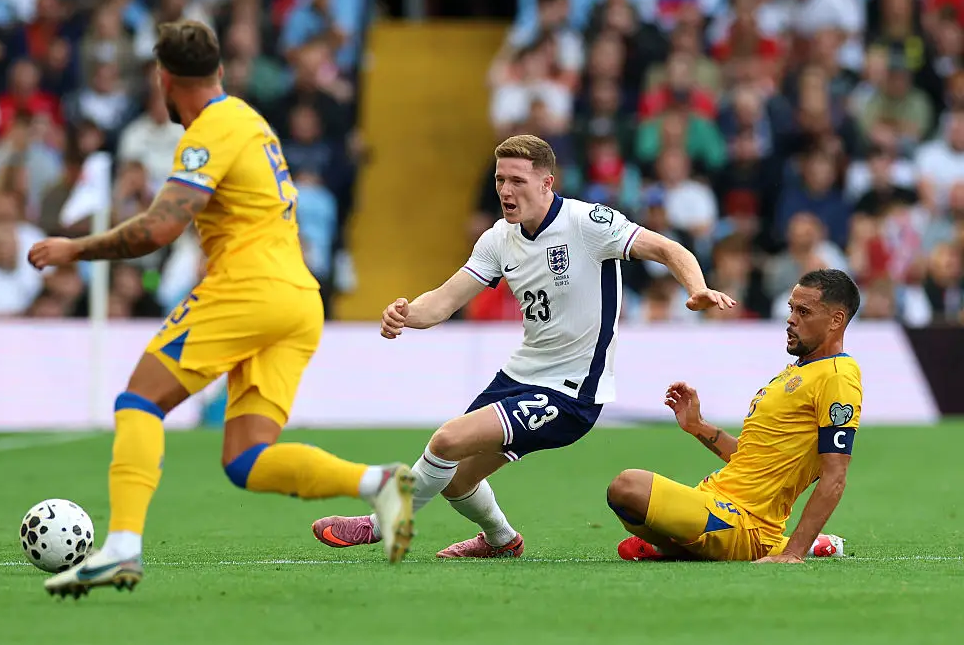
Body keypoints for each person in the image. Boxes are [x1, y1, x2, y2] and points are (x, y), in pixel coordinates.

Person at [29, 21, 414, 598]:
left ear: (164, 80)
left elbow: (160, 227)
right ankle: (379, 482)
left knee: (139, 400)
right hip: (298, 300)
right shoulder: (252, 121)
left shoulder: (210, 130)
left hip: (249, 290)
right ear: (221, 72)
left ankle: (122, 548)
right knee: (246, 459)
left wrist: (76, 248)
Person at [311, 134, 736, 558]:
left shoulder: (588, 223)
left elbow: (667, 247)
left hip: (572, 392)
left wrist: (697, 288)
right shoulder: (499, 238)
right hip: (520, 375)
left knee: (446, 441)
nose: (505, 191)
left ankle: (382, 520)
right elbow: (444, 300)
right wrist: (407, 314)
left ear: (547, 183)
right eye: (499, 180)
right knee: (456, 479)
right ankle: (502, 540)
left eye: (516, 180)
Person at [605, 269, 861, 563]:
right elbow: (750, 458)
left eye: (803, 311)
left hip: (746, 521)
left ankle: (782, 546)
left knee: (626, 486)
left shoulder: (838, 377)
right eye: (791, 309)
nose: (791, 319)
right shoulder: (797, 371)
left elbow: (835, 474)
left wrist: (793, 554)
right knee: (629, 511)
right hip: (715, 498)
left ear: (836, 320)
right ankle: (686, 546)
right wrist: (698, 427)